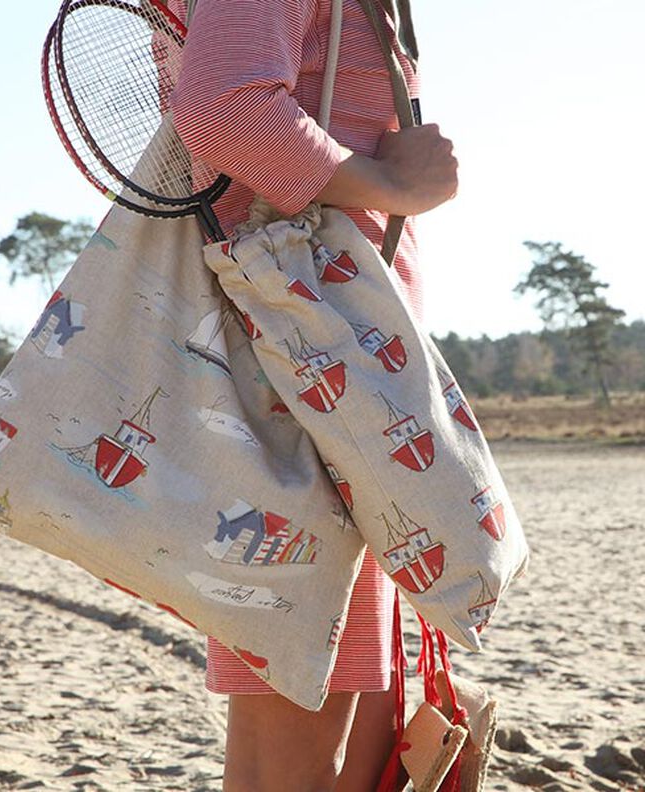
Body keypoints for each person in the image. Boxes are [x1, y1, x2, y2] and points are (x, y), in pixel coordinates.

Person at [169, 1, 458, 790]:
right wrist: (391, 184)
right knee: (300, 736)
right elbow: (222, 109)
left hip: (329, 368)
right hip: (310, 373)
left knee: (320, 728)